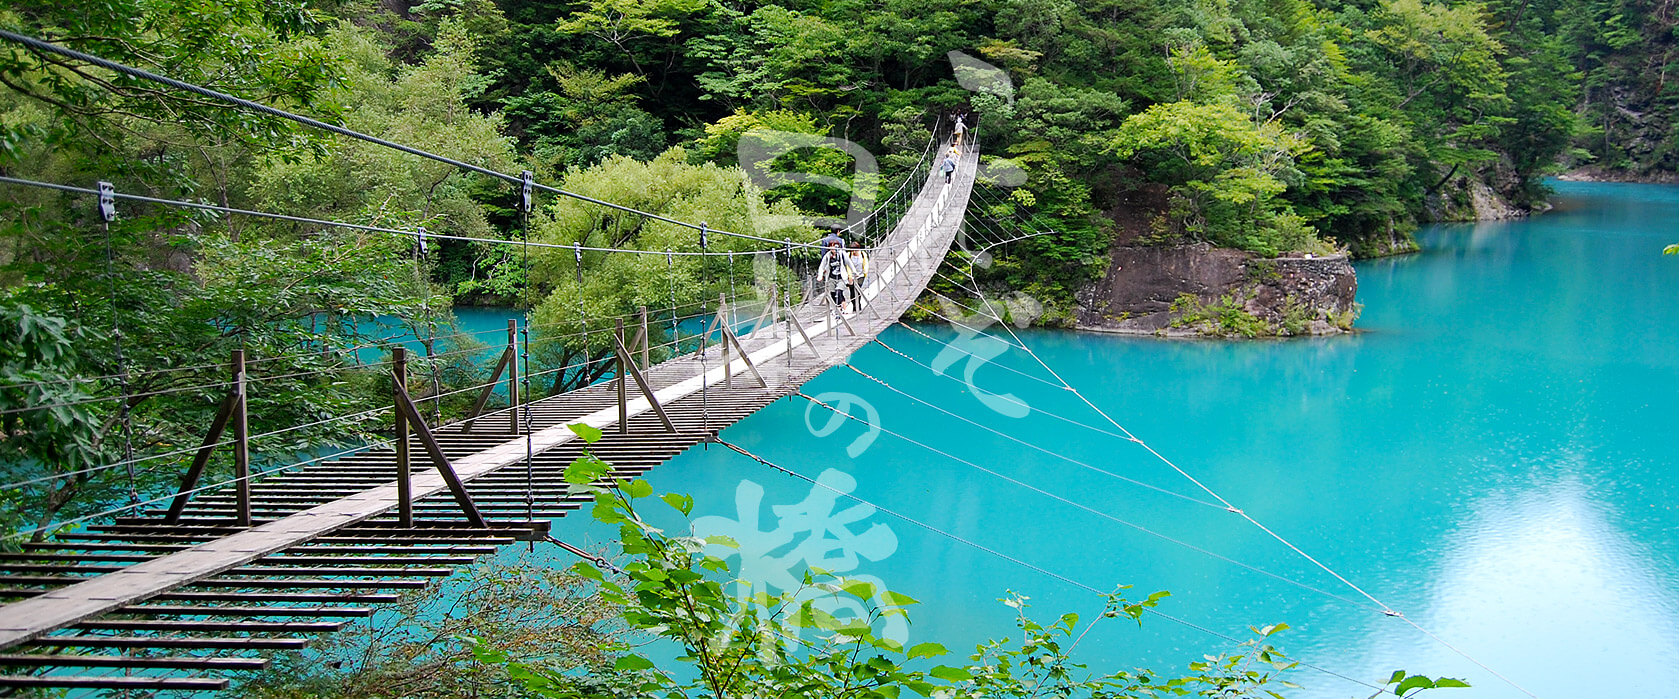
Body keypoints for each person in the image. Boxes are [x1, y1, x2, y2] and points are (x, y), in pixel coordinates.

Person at [817, 240, 851, 312]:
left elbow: (849, 263)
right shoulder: (827, 256)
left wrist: (854, 272)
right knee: (832, 293)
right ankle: (838, 307)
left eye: (835, 246)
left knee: (838, 291)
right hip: (831, 277)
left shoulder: (842, 254)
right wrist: (820, 275)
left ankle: (843, 307)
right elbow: (822, 266)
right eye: (831, 247)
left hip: (841, 277)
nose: (833, 249)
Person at [843, 241, 869, 314]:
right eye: (852, 250)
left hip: (860, 275)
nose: (854, 251)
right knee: (852, 291)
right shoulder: (848, 255)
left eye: (855, 250)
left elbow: (866, 263)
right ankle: (854, 305)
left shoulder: (863, 254)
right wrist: (850, 276)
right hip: (851, 276)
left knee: (858, 290)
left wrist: (865, 272)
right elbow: (848, 266)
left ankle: (858, 305)